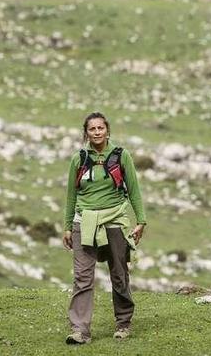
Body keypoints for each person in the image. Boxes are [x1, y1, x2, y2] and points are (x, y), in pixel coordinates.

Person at [63, 112, 147, 344]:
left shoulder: (121, 156)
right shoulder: (78, 159)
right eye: (93, 129)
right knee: (82, 276)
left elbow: (134, 189)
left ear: (107, 131)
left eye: (101, 128)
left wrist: (141, 221)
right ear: (86, 133)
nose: (97, 132)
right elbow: (71, 194)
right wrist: (68, 226)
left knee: (119, 274)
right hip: (84, 220)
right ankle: (80, 330)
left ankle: (123, 323)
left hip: (114, 220)